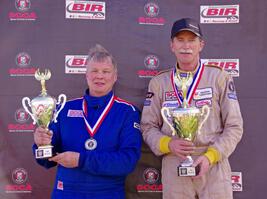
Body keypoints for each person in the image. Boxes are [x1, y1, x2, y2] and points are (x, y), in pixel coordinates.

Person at [141, 18, 243, 199]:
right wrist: (168, 144)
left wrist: (210, 156)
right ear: (172, 45)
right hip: (174, 162)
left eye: (192, 40)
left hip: (213, 162)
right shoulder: (159, 82)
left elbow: (234, 127)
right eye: (180, 40)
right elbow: (147, 127)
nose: (186, 46)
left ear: (201, 44)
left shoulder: (219, 77)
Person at [33, 44, 142, 199]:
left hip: (107, 193)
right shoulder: (64, 109)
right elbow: (47, 160)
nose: (100, 76)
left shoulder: (127, 112)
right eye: (94, 71)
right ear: (86, 75)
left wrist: (82, 160)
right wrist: (41, 144)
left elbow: (127, 161)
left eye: (106, 71)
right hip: (66, 192)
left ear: (115, 76)